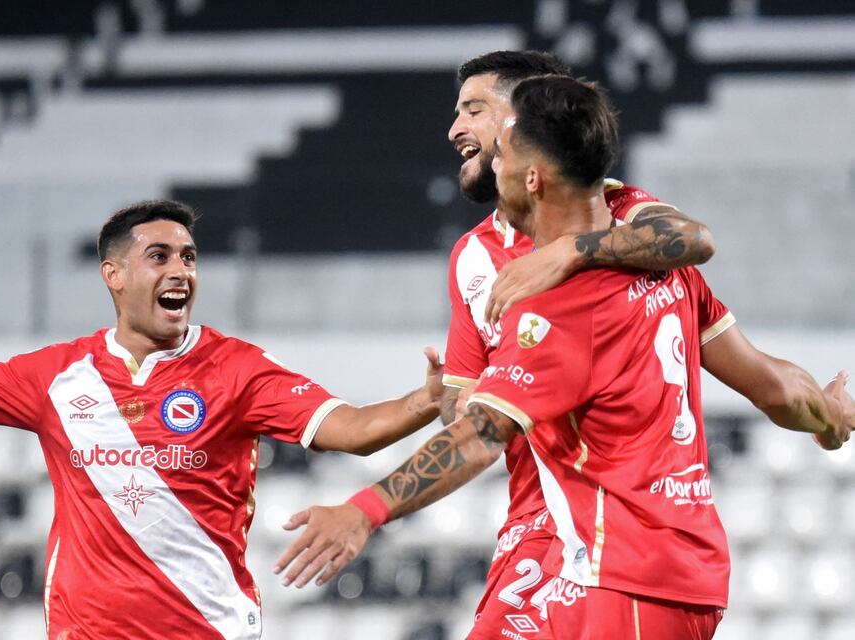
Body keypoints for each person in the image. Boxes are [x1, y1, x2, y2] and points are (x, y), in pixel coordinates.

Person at [275, 76, 854, 639]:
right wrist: (830, 417)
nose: (489, 163)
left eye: (500, 152)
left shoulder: (560, 307)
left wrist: (364, 509)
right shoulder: (662, 266)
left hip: (618, 575)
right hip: (674, 569)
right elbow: (775, 388)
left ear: (532, 177)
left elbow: (481, 434)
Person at [0, 200, 446, 640]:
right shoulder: (56, 375)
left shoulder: (236, 368)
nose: (181, 271)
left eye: (189, 257)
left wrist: (423, 403)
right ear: (113, 275)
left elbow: (353, 430)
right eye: (160, 257)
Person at [446, 50, 716, 638]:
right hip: (532, 523)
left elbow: (693, 240)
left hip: (614, 532)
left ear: (522, 122)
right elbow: (463, 408)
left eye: (474, 110)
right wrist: (455, 402)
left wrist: (570, 251)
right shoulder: (471, 257)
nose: (455, 129)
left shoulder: (622, 210)